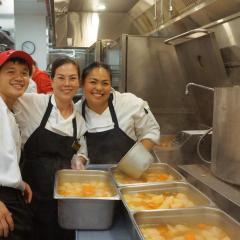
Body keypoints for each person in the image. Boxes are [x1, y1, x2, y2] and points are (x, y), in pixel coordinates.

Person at [14, 57, 88, 240]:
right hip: (31, 199)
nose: (67, 84)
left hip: (63, 202)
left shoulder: (78, 121)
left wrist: (79, 159)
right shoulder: (32, 104)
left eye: (72, 78)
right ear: (51, 80)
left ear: (78, 82)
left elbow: (80, 148)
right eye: (61, 78)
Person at [75, 61, 160, 165]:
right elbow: (76, 144)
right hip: (95, 177)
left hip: (131, 174)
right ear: (82, 84)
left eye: (105, 83)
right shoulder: (76, 112)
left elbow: (151, 131)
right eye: (93, 82)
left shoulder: (129, 103)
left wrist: (134, 161)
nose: (99, 88)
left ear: (110, 85)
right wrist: (79, 157)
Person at [0, 49, 33, 240]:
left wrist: (18, 183)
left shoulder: (9, 110)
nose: (19, 77)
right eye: (10, 71)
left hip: (11, 195)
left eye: (24, 72)